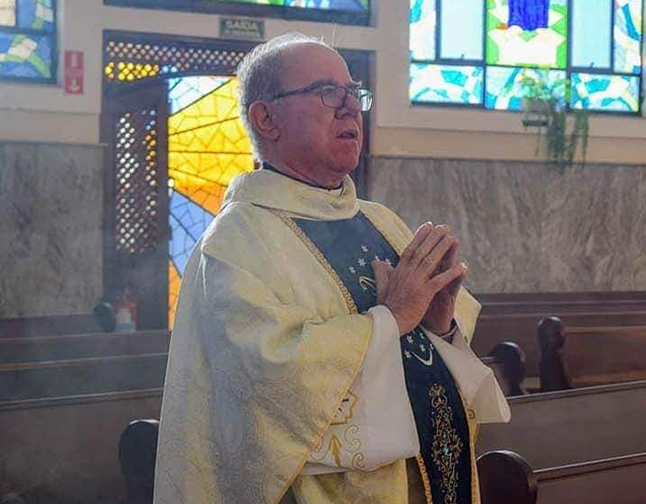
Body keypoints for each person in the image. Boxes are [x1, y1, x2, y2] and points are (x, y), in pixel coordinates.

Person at [153, 33, 509, 504]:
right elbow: (270, 387)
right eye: (327, 92)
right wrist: (392, 319)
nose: (350, 109)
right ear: (266, 118)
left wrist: (439, 327)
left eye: (353, 94)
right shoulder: (237, 242)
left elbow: (435, 372)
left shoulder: (380, 220)